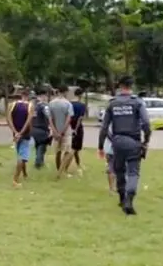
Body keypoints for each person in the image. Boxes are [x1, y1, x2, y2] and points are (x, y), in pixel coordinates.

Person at [98, 76, 151, 215]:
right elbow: (146, 123)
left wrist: (100, 146)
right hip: (134, 141)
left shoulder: (112, 103)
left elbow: (104, 127)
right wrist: (146, 140)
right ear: (131, 86)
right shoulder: (137, 102)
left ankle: (122, 198)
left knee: (119, 170)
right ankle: (129, 199)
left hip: (117, 142)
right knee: (133, 172)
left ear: (120, 86)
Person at [7, 89, 34, 187]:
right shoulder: (30, 106)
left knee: (20, 154)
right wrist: (22, 133)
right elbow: (28, 122)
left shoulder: (12, 105)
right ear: (28, 96)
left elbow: (8, 119)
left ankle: (25, 174)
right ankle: (15, 179)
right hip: (25, 134)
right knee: (22, 157)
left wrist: (15, 132)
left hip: (16, 134)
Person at [48, 86, 73, 176]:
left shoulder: (51, 103)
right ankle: (60, 172)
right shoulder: (68, 104)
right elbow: (68, 119)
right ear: (65, 92)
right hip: (65, 132)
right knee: (67, 152)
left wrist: (55, 131)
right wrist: (62, 132)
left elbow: (50, 119)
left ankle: (58, 169)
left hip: (55, 130)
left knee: (57, 151)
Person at [63, 88, 88, 176]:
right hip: (77, 128)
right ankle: (64, 169)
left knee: (75, 148)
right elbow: (79, 119)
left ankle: (78, 165)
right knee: (73, 149)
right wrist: (75, 129)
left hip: (68, 127)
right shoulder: (82, 105)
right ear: (81, 95)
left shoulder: (69, 104)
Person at [30, 89, 51, 169]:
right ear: (43, 96)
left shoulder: (33, 105)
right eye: (45, 96)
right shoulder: (44, 106)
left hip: (33, 128)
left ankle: (41, 161)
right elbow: (48, 116)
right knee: (42, 146)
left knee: (38, 145)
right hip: (42, 129)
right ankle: (38, 162)